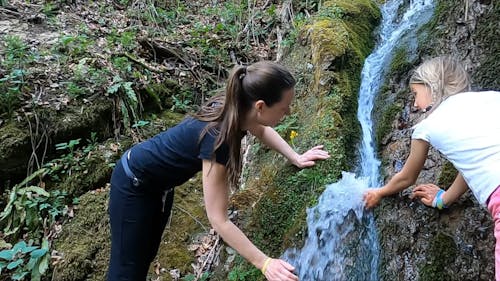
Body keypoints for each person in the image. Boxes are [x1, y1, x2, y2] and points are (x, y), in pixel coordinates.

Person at [107, 61, 330, 281]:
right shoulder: (218, 139)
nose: (289, 112)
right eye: (284, 108)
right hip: (133, 185)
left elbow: (261, 130)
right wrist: (264, 263)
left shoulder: (239, 106)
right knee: (126, 270)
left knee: (142, 257)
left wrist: (296, 157)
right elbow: (218, 219)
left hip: (157, 186)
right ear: (260, 106)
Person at [363, 56, 500, 279]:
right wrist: (442, 199)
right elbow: (474, 165)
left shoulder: (427, 127)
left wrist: (379, 192)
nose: (415, 105)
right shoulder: (492, 98)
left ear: (432, 87)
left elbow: (407, 178)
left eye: (416, 94)